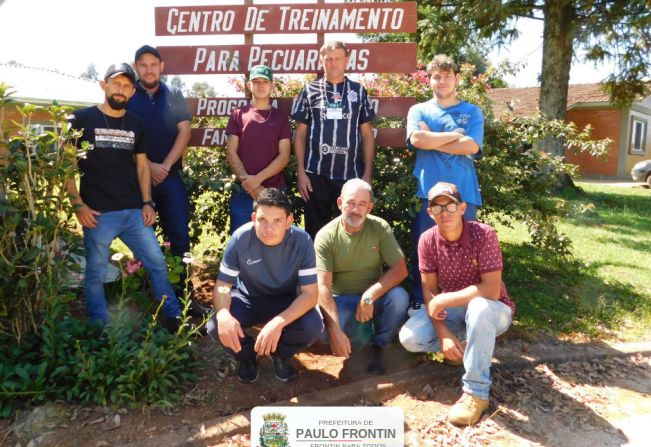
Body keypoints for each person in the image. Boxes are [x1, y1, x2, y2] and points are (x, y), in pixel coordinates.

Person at [66, 63, 183, 328]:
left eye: (127, 86)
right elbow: (66, 166)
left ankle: (173, 316)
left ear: (132, 92)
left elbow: (142, 166)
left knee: (157, 264)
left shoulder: (135, 124)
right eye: (116, 83)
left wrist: (147, 202)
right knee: (95, 273)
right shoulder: (80, 120)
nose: (121, 90)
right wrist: (78, 205)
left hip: (133, 212)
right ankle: (98, 327)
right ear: (103, 85)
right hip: (98, 215)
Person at [399, 182, 515, 426]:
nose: (445, 212)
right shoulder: (427, 240)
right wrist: (443, 334)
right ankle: (463, 346)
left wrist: (444, 299)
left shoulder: (484, 234)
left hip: (494, 310)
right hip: (454, 310)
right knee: (410, 338)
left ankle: (477, 393)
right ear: (430, 213)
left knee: (479, 307)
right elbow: (429, 292)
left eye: (450, 205)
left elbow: (491, 291)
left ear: (462, 208)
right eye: (437, 207)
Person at [208, 188, 323, 383]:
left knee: (313, 325)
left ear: (289, 221)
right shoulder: (240, 239)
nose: (268, 229)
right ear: (253, 218)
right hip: (247, 299)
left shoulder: (302, 241)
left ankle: (279, 354)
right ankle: (248, 356)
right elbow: (223, 285)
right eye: (262, 220)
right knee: (215, 325)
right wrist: (223, 314)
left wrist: (278, 322)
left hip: (285, 300)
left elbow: (310, 295)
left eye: (277, 221)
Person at [406, 54, 485, 312]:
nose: (441, 82)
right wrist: (453, 136)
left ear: (457, 79)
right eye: (436, 77)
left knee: (468, 253)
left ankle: (464, 305)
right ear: (429, 80)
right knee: (427, 249)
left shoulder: (472, 111)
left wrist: (434, 136)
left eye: (447, 76)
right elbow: (418, 140)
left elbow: (471, 145)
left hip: (464, 196)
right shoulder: (419, 110)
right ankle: (422, 301)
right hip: (428, 194)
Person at [127, 45, 200, 307]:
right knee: (143, 238)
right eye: (143, 65)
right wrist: (149, 165)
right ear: (136, 67)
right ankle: (151, 296)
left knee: (180, 236)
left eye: (153, 64)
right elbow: (124, 137)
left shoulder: (174, 94)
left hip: (169, 177)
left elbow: (184, 131)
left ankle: (184, 295)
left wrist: (165, 166)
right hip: (138, 177)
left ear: (162, 67)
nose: (148, 70)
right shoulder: (129, 94)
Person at [315, 179, 409, 374]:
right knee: (322, 332)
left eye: (362, 204)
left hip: (374, 299)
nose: (355, 210)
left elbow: (400, 269)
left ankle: (379, 346)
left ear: (370, 207)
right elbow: (322, 287)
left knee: (400, 298)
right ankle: (352, 339)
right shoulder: (326, 236)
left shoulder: (379, 228)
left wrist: (370, 295)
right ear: (340, 203)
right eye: (350, 203)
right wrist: (334, 330)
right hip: (340, 299)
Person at [292, 41, 376, 239]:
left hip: (351, 175)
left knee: (351, 232)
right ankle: (317, 271)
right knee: (315, 232)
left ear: (346, 60)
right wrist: (301, 172)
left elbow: (367, 134)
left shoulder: (358, 91)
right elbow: (300, 134)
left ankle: (348, 271)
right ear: (321, 61)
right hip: (315, 176)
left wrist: (367, 173)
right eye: (328, 59)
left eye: (338, 58)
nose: (333, 63)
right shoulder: (309, 90)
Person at [225, 64, 291, 234]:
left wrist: (257, 181)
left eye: (265, 82)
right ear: (249, 85)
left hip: (274, 190)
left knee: (274, 239)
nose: (261, 86)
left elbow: (284, 156)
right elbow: (231, 152)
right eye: (256, 82)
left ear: (272, 86)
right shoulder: (238, 114)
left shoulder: (281, 117)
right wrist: (250, 184)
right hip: (243, 191)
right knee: (241, 239)